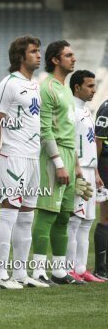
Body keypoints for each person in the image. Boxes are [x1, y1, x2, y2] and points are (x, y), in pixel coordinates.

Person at [0, 35, 48, 289]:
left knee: (26, 217)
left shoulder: (35, 84)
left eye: (39, 51)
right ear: (21, 56)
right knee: (9, 214)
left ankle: (20, 273)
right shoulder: (9, 83)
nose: (39, 55)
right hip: (13, 156)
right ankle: (0, 274)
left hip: (33, 157)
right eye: (34, 51)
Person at [32, 40, 89, 285]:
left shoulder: (66, 88)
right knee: (47, 213)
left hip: (69, 154)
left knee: (64, 216)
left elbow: (69, 132)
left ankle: (58, 271)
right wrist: (58, 163)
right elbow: (45, 130)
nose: (73, 59)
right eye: (68, 55)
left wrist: (75, 166)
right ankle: (36, 271)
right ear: (55, 60)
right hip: (52, 158)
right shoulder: (47, 88)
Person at [66, 70, 105, 283]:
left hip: (90, 172)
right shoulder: (71, 109)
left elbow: (90, 145)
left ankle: (81, 269)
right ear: (77, 87)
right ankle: (68, 267)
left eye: (94, 85)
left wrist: (96, 172)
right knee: (75, 220)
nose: (94, 90)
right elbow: (69, 142)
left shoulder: (85, 110)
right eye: (89, 86)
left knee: (87, 220)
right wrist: (77, 169)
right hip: (79, 171)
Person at [94, 98, 108, 281]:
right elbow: (98, 139)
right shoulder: (106, 108)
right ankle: (100, 267)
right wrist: (95, 169)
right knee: (106, 214)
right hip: (106, 163)